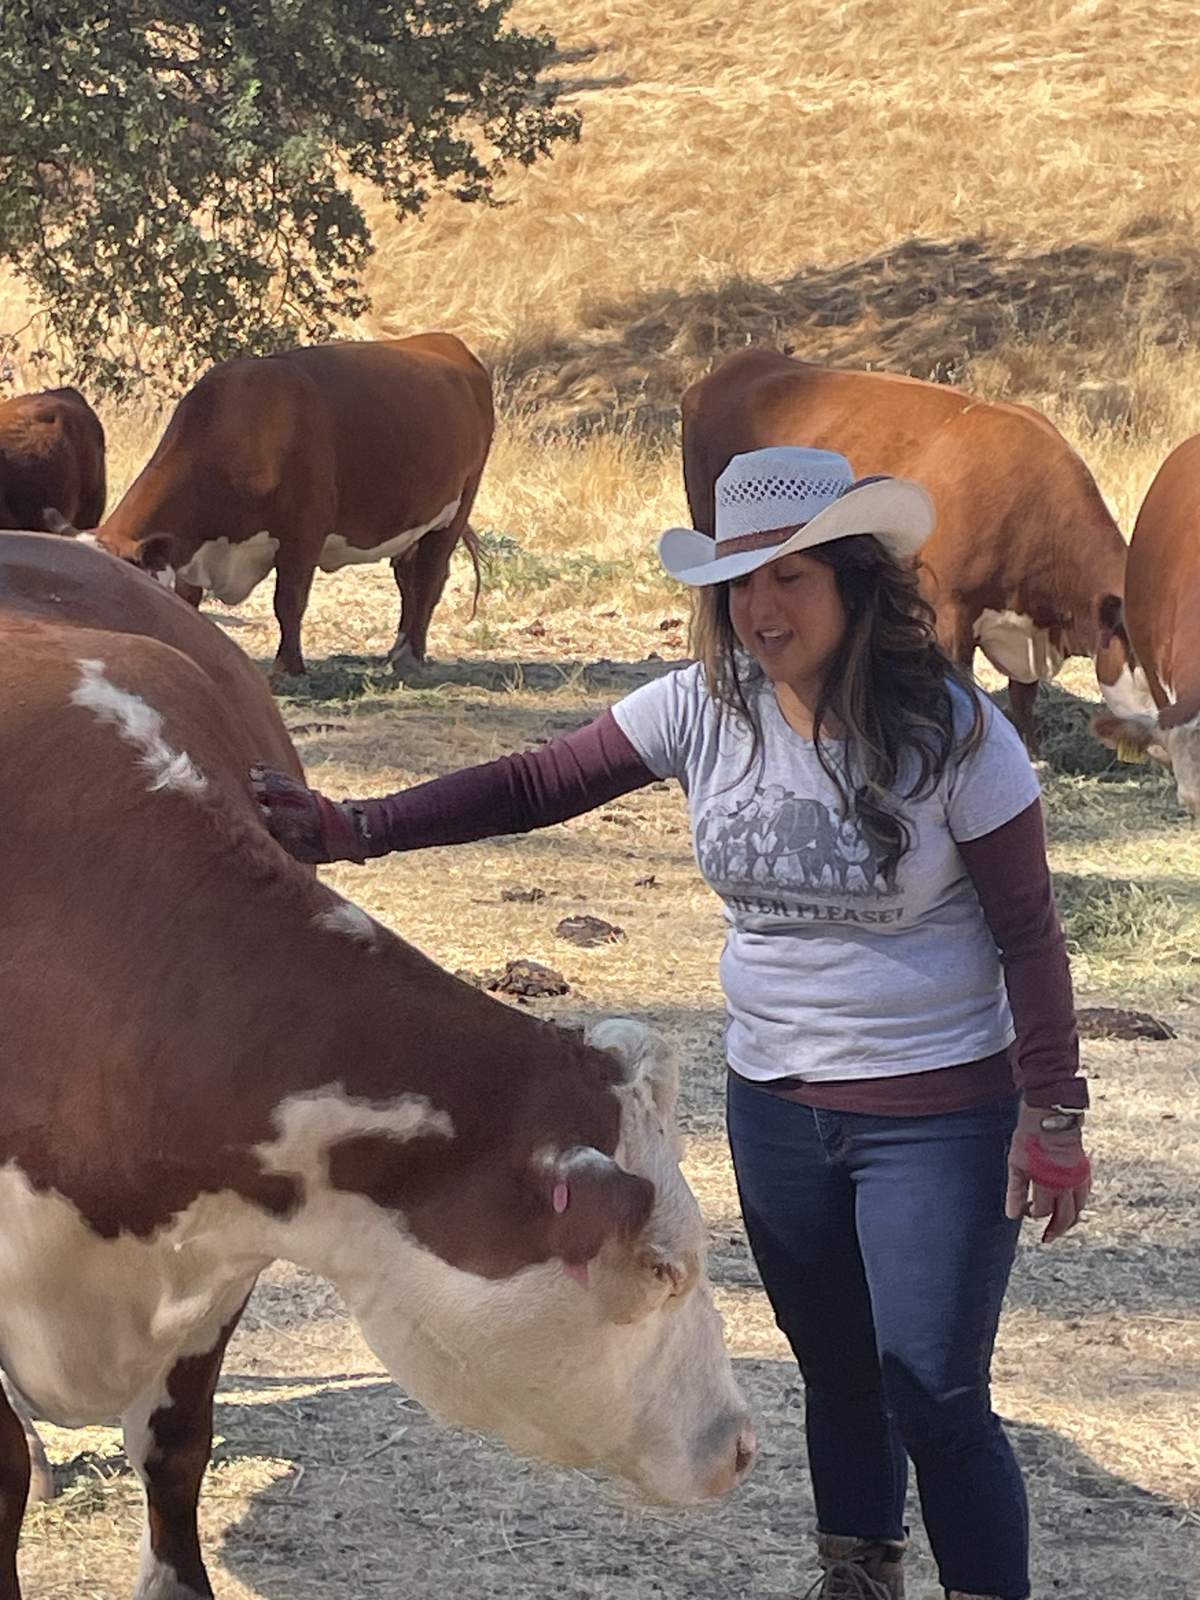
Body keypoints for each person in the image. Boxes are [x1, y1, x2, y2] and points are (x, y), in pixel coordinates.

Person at [253, 446, 1092, 1600]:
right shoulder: (708, 706)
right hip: (779, 1105)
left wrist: (1054, 1108)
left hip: (937, 1106)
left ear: (853, 580)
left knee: (935, 1390)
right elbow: (535, 782)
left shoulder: (956, 734)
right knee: (839, 1367)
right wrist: (357, 827)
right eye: (738, 582)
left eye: (789, 577)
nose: (759, 608)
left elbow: (1029, 929)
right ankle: (859, 1571)